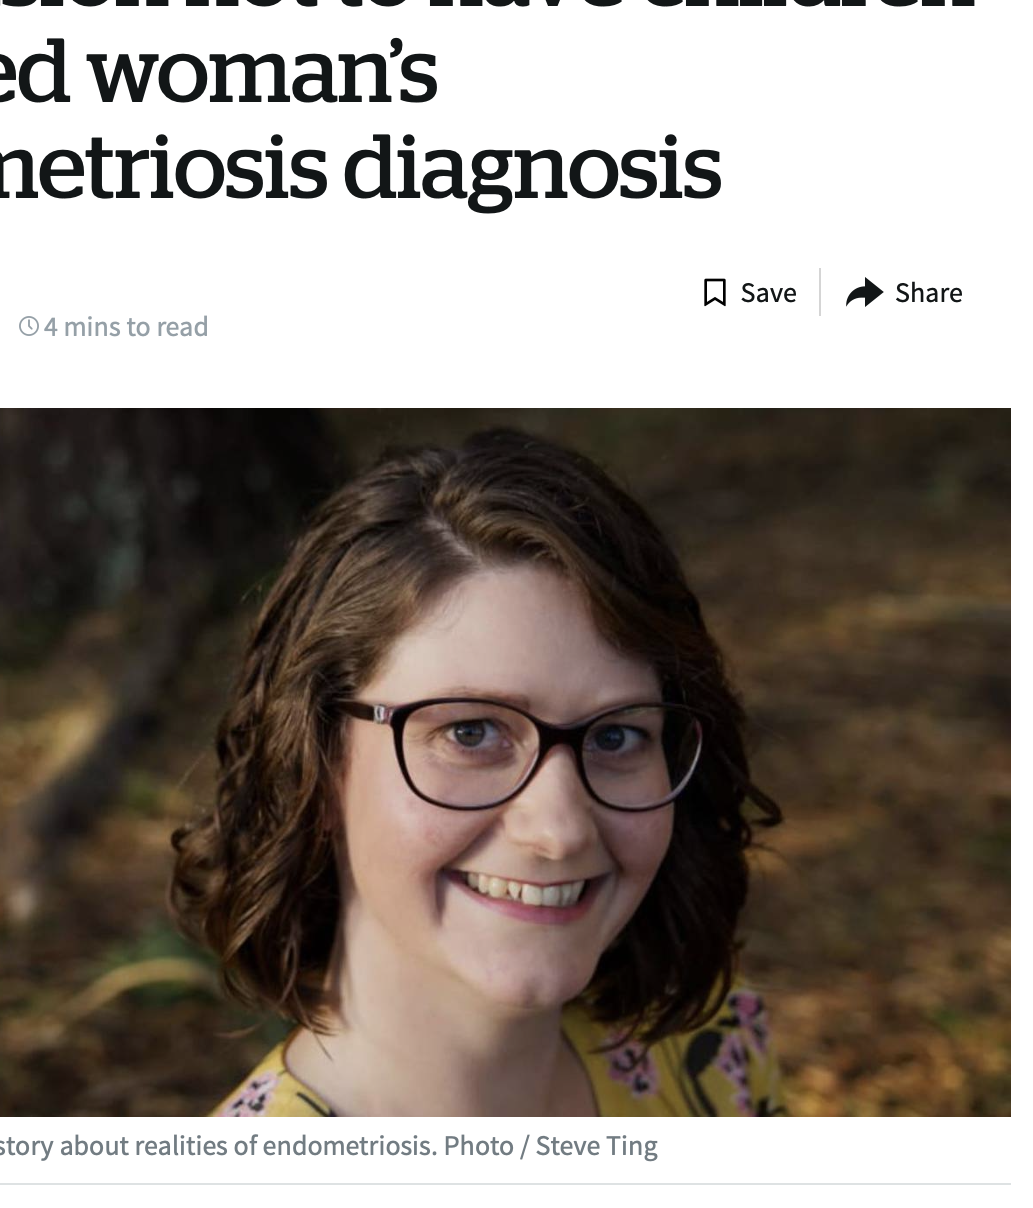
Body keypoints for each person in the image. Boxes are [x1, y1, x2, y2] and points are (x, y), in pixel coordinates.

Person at [170, 429, 785, 1116]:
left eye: (617, 735)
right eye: (470, 732)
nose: (559, 828)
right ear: (314, 761)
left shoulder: (716, 1059)